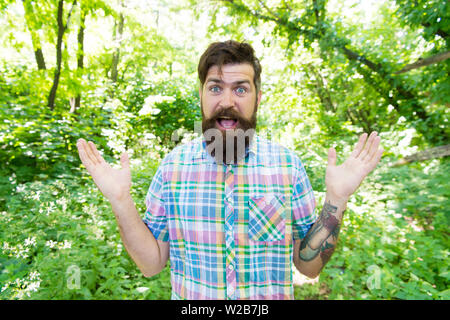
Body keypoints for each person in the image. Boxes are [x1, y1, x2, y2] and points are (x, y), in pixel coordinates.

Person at [76, 40, 383, 300]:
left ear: (257, 98)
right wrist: (120, 200)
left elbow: (309, 267)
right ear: (201, 95)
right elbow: (151, 264)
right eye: (215, 88)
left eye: (240, 89)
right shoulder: (172, 168)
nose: (226, 101)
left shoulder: (288, 166)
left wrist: (337, 199)